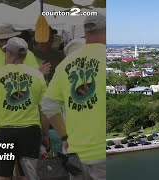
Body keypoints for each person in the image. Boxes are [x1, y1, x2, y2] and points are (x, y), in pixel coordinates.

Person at [0, 23, 51, 180]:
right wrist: (45, 133)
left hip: (3, 130)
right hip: (31, 130)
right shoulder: (37, 76)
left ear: (8, 53)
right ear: (25, 56)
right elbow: (45, 109)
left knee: (2, 175)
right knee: (26, 175)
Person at [41, 13, 106, 180]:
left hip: (75, 151)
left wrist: (64, 135)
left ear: (86, 32)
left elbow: (48, 104)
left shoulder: (65, 65)